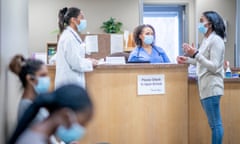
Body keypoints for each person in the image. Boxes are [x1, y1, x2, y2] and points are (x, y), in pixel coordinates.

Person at [177, 11, 225, 144]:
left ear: (209, 24)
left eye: (201, 20)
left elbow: (214, 66)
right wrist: (187, 59)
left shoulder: (216, 40)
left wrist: (196, 54)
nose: (199, 24)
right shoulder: (206, 40)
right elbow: (202, 61)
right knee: (213, 124)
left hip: (212, 86)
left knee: (216, 125)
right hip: (205, 87)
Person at [7, 84, 93, 144]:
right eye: (81, 124)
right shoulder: (33, 141)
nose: (81, 131)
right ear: (66, 115)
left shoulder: (44, 136)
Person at [55, 7, 98, 89]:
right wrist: (90, 63)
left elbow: (74, 58)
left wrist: (87, 61)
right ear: (73, 20)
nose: (84, 20)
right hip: (68, 85)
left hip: (70, 84)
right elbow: (76, 63)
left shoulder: (71, 36)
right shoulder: (69, 38)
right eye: (82, 17)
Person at [9, 54, 50, 122]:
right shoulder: (27, 108)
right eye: (43, 75)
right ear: (30, 79)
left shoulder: (34, 102)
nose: (47, 79)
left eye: (46, 75)